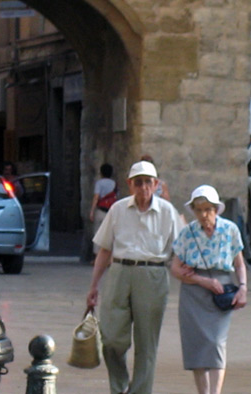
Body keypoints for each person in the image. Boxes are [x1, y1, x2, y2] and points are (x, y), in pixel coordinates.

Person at [86, 160, 183, 394]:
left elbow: (180, 250)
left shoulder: (167, 212)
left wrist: (190, 275)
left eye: (148, 182)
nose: (143, 188)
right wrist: (94, 287)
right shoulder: (118, 209)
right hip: (119, 271)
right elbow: (105, 250)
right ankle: (119, 386)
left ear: (156, 184)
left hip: (153, 274)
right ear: (130, 185)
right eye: (138, 183)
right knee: (110, 339)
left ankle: (140, 390)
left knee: (147, 342)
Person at [171, 185, 248, 394]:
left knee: (216, 343)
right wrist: (200, 280)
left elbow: (239, 263)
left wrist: (243, 288)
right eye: (199, 210)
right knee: (196, 345)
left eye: (208, 209)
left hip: (221, 290)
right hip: (193, 292)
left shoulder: (230, 229)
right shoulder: (188, 233)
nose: (204, 215)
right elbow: (175, 268)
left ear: (215, 209)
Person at [89, 163, 117, 237]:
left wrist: (92, 211)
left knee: (97, 234)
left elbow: (96, 197)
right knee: (109, 235)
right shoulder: (114, 183)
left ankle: (97, 249)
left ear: (101, 172)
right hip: (111, 211)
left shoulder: (99, 183)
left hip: (101, 210)